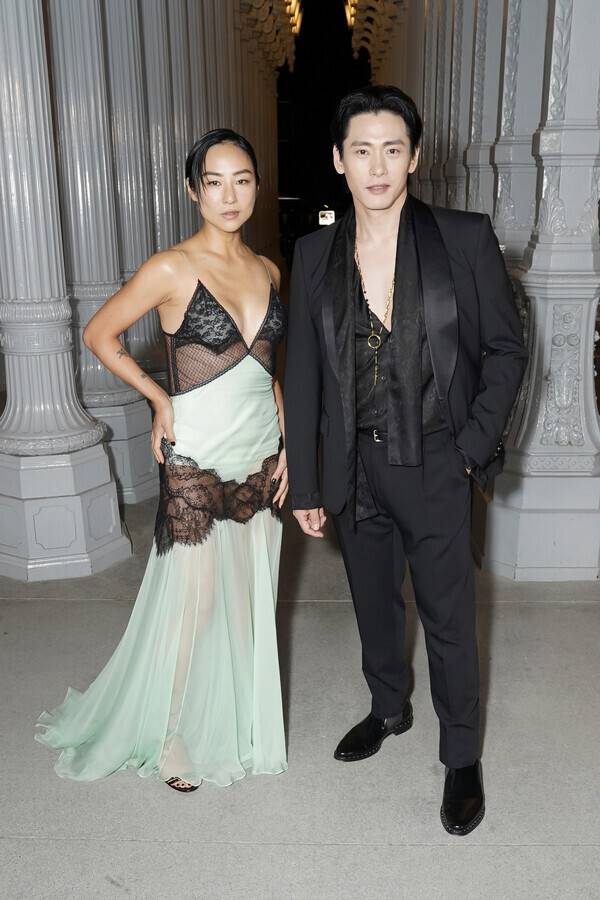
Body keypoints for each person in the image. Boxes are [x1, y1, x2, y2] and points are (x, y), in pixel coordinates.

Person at [284, 86, 527, 835]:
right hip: (354, 463)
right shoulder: (313, 253)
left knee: (449, 617)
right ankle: (389, 707)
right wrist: (307, 481)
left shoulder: (463, 237)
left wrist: (472, 448)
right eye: (362, 151)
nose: (378, 166)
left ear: (414, 156)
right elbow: (303, 375)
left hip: (438, 461)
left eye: (393, 149)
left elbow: (506, 349)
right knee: (373, 603)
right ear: (339, 160)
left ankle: (462, 755)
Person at [36, 129, 288, 793]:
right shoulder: (171, 267)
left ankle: (236, 722)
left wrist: (288, 442)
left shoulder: (268, 270)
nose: (229, 195)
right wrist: (157, 397)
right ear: (192, 190)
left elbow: (270, 370)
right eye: (215, 181)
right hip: (198, 446)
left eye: (242, 180)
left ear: (257, 186)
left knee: (247, 593)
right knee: (192, 599)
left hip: (260, 448)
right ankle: (173, 733)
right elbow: (99, 333)